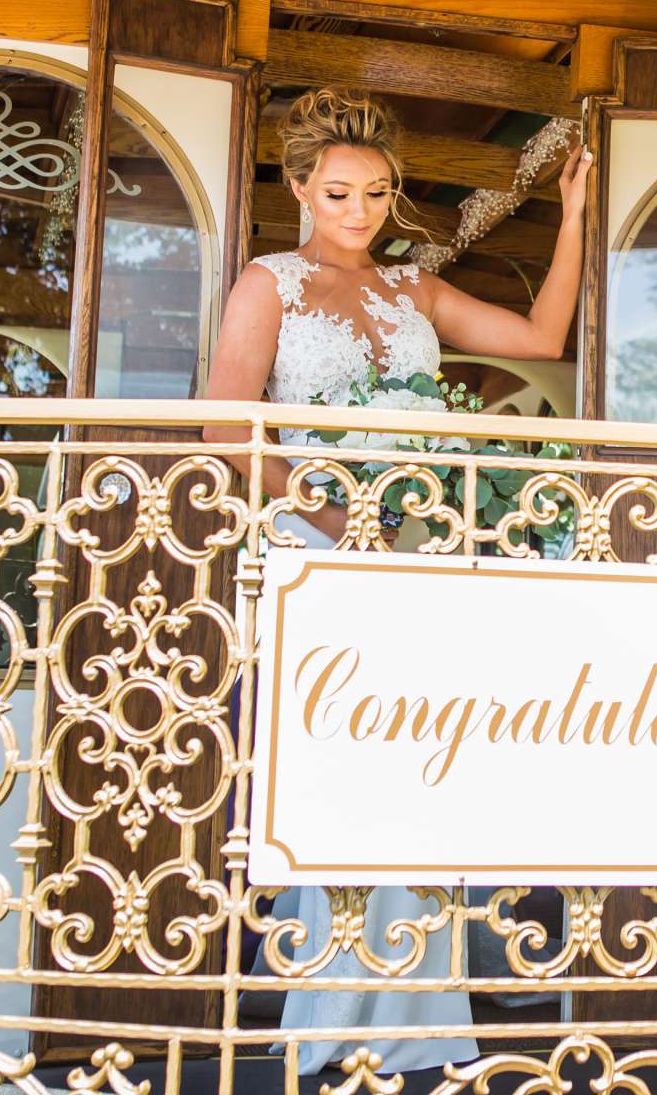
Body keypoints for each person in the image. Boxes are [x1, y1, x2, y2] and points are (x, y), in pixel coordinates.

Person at [202, 87, 592, 1075]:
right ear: (299, 187)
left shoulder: (415, 289)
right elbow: (224, 428)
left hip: (418, 559)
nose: (359, 212)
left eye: (375, 193)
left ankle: (423, 1010)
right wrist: (337, 507)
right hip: (318, 555)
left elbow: (543, 339)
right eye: (338, 192)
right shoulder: (269, 285)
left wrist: (578, 210)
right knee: (339, 778)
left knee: (421, 775)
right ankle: (329, 1012)